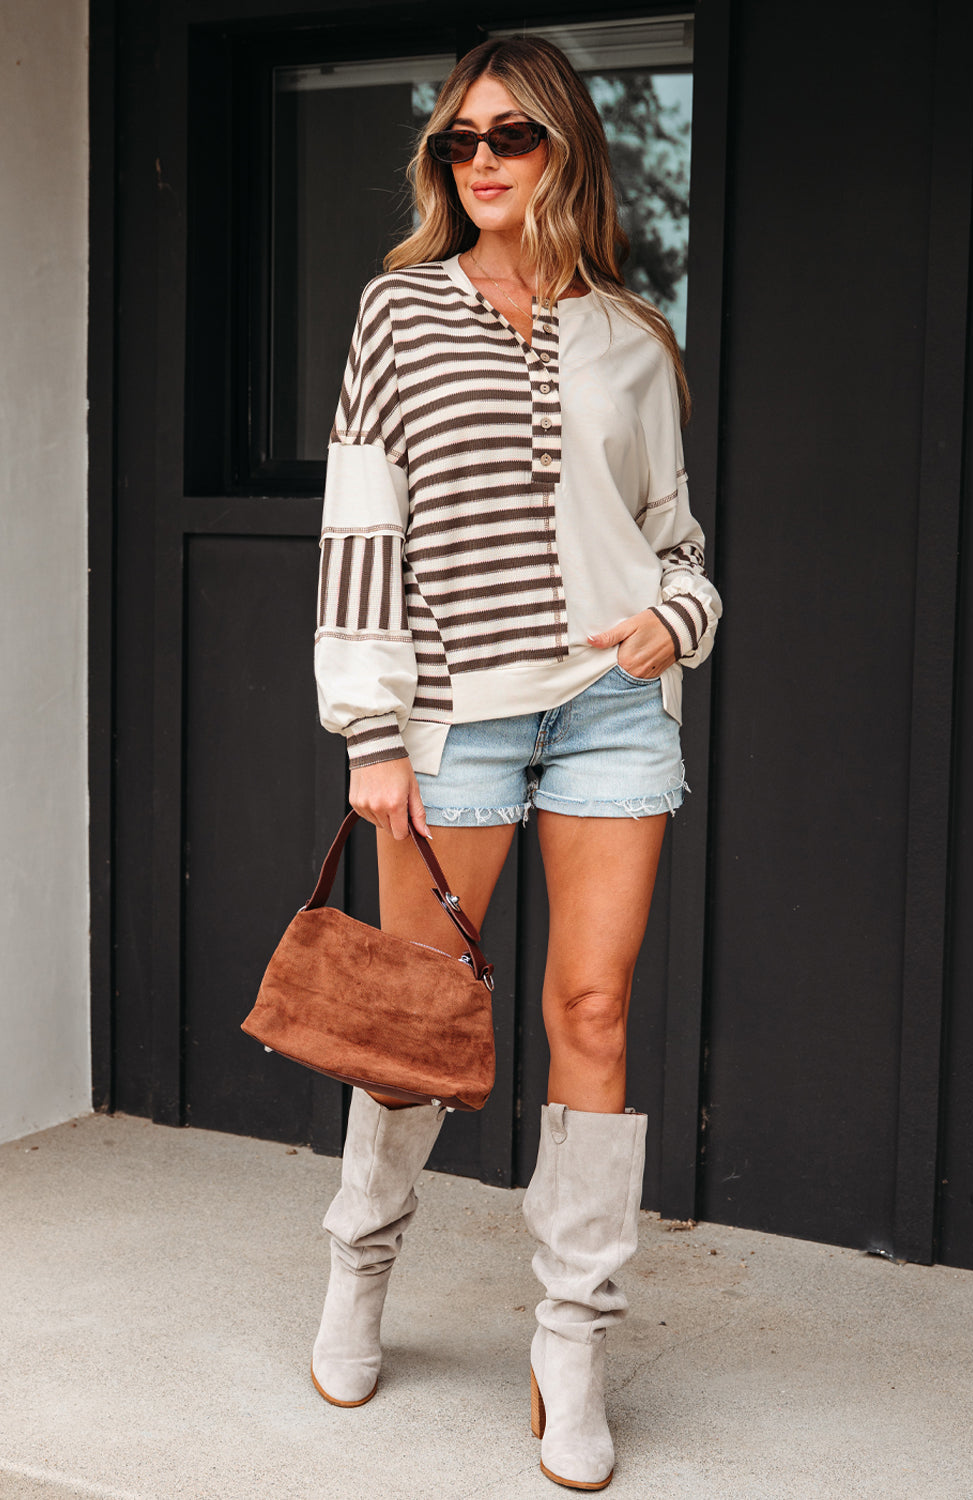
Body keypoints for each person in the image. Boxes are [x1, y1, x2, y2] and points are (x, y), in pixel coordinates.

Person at [310, 35, 721, 1492]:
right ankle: (359, 1266)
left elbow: (675, 543)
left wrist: (677, 619)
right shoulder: (399, 312)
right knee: (414, 1023)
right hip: (454, 718)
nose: (480, 160)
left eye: (511, 136)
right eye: (459, 141)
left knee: (593, 1011)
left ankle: (573, 1342)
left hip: (610, 706)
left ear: (564, 150)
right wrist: (370, 730)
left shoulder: (632, 337)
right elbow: (361, 529)